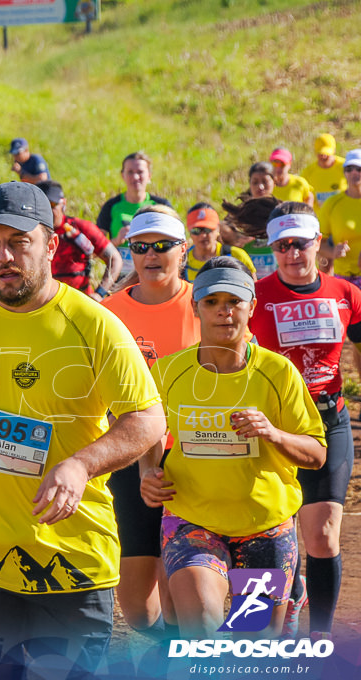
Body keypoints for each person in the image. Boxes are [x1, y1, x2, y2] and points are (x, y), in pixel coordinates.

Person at [0, 181, 165, 678]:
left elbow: (148, 418)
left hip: (70, 561)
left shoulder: (95, 325)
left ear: (51, 244)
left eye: (20, 241)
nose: (5, 256)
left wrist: (81, 464)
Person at [141, 257, 326, 639]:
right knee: (202, 626)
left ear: (251, 307)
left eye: (234, 301)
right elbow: (148, 430)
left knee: (251, 642)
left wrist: (273, 433)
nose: (224, 312)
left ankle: (289, 599)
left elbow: (316, 453)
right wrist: (148, 471)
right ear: (196, 307)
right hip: (193, 521)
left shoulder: (277, 373)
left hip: (264, 526)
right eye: (212, 302)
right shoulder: (169, 372)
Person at [249, 203, 361, 639]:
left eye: (301, 243)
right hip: (273, 426)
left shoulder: (345, 294)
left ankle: (321, 637)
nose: (293, 253)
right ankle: (286, 602)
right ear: (273, 248)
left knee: (323, 536)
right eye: (283, 246)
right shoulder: (256, 295)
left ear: (318, 243)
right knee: (273, 533)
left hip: (329, 419)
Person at [100, 206, 198, 642]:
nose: (152, 255)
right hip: (131, 456)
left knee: (188, 593)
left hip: (198, 453)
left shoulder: (207, 303)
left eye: (163, 246)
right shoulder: (106, 313)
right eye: (141, 247)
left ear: (184, 250)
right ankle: (166, 647)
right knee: (138, 608)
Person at [38, 180, 121, 299]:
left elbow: (115, 259)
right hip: (44, 303)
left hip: (80, 302)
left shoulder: (80, 228)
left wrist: (100, 293)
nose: (48, 211)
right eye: (42, 207)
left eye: (52, 205)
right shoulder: (31, 232)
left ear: (63, 203)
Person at [96, 151, 173, 276]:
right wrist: (116, 241)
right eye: (130, 172)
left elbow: (175, 242)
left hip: (154, 273)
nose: (135, 177)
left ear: (149, 176)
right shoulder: (111, 206)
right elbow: (96, 248)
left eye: (140, 172)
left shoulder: (161, 206)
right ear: (123, 175)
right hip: (119, 277)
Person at [318, 149, 361, 287]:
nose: (354, 172)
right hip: (343, 279)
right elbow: (317, 243)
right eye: (349, 169)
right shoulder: (332, 204)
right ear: (344, 173)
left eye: (359, 169)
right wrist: (333, 252)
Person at [183, 202, 256, 282]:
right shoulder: (181, 262)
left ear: (218, 229)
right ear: (189, 231)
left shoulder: (237, 256)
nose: (203, 235)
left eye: (207, 230)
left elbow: (254, 290)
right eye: (196, 231)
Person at [301, 134, 346, 207]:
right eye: (320, 153)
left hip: (341, 216)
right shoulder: (308, 172)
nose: (323, 156)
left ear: (334, 151)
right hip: (318, 217)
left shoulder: (346, 168)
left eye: (327, 153)